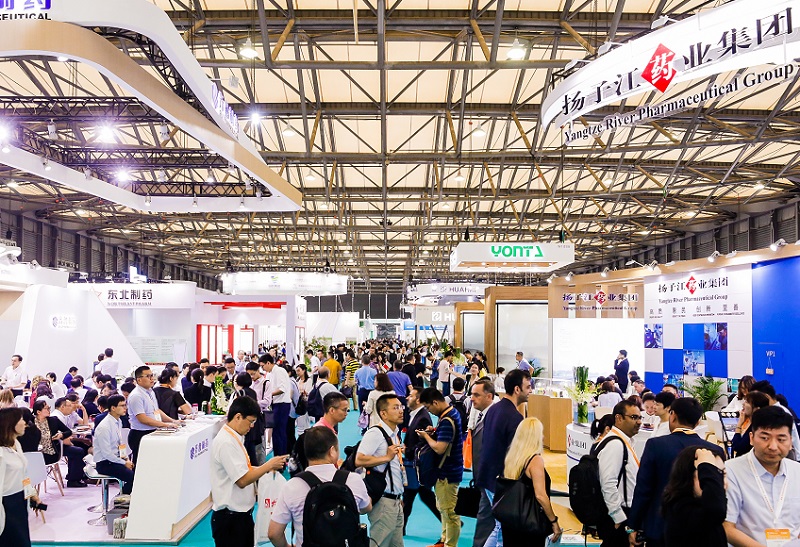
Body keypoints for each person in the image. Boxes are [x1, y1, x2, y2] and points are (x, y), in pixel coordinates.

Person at [627, 397, 725, 547]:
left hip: (660, 525)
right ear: (698, 421)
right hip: (701, 529)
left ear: (672, 416)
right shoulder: (714, 450)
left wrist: (634, 524)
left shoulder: (656, 445)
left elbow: (643, 488)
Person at [268, 426, 372, 547]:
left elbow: (273, 534)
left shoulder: (292, 486)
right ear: (332, 451)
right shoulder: (353, 479)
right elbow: (366, 508)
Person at [210, 396, 289, 547]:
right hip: (230, 519)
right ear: (238, 417)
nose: (252, 426)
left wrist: (266, 469)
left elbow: (244, 469)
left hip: (240, 516)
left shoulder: (235, 438)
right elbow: (242, 480)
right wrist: (267, 466)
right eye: (250, 421)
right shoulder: (226, 443)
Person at [724, 406, 800, 546]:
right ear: (751, 438)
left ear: (791, 442)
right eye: (765, 438)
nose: (773, 446)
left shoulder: (797, 472)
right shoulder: (731, 471)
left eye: (781, 439)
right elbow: (727, 527)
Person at [474, 369, 531, 547]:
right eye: (528, 387)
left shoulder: (494, 409)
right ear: (517, 389)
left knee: (497, 527)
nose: (530, 391)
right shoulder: (514, 418)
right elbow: (514, 455)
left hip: (487, 476)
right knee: (502, 530)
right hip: (499, 481)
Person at [499, 417, 562, 546]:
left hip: (510, 520)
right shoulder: (535, 461)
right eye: (541, 433)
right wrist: (553, 521)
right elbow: (540, 495)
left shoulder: (512, 457)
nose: (543, 437)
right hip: (529, 522)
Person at [356, 394, 406, 547]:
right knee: (379, 543)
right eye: (395, 408)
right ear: (383, 413)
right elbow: (359, 459)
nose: (401, 411)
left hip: (395, 500)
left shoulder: (394, 433)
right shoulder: (375, 433)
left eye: (401, 407)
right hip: (384, 502)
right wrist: (386, 457)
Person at [417, 387, 464, 547]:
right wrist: (435, 431)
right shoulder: (451, 413)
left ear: (435, 402)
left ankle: (450, 544)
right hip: (448, 470)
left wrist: (426, 436)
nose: (428, 411)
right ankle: (443, 541)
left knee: (450, 512)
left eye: (428, 407)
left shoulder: (446, 420)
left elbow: (439, 448)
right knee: (443, 508)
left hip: (447, 473)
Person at [595, 400, 642, 547]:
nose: (639, 422)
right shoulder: (615, 444)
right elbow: (608, 483)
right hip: (618, 515)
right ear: (619, 418)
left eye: (640, 417)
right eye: (634, 417)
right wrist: (619, 517)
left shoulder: (623, 442)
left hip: (622, 513)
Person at [661, 447, 727, 547]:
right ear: (689, 476)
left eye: (723, 474)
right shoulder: (681, 510)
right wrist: (706, 466)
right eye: (710, 474)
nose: (721, 482)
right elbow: (717, 512)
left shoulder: (703, 506)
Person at [0, 407, 41, 547]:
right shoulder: (1, 454)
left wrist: (32, 494)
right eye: (21, 420)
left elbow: (24, 474)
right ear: (10, 424)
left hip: (20, 499)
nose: (25, 423)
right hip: (6, 504)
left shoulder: (16, 444)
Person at [402, 386, 440, 535]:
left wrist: (407, 451)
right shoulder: (414, 414)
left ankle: (401, 528)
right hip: (414, 465)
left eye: (411, 396)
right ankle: (448, 519)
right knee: (423, 495)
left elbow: (423, 443)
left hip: (417, 465)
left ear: (418, 400)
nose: (407, 398)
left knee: (411, 495)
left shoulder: (422, 417)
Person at [31, 399, 89, 487]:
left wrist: (61, 435)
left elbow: (68, 431)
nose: (49, 410)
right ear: (38, 412)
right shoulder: (31, 422)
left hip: (53, 450)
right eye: (46, 408)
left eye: (49, 408)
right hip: (36, 453)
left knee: (78, 450)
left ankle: (74, 479)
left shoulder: (53, 420)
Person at [128, 365, 179, 464]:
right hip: (140, 434)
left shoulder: (151, 391)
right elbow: (142, 418)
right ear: (139, 380)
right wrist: (165, 425)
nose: (152, 379)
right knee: (140, 464)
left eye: (152, 375)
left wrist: (173, 421)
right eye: (148, 376)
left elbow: (156, 410)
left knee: (152, 463)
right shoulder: (136, 395)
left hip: (152, 431)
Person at [92, 394, 136, 494]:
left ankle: (124, 496)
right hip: (105, 463)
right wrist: (124, 463)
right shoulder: (104, 427)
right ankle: (121, 499)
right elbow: (107, 454)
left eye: (125, 405)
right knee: (133, 478)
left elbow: (120, 443)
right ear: (113, 408)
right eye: (122, 405)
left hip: (115, 460)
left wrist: (126, 459)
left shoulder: (118, 421)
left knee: (138, 473)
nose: (125, 408)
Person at [750, 380, 800, 460]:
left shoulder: (780, 412)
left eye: (756, 399)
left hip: (787, 457)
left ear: (767, 397)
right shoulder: (770, 411)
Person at [260, 354, 292, 456]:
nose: (262, 368)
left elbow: (282, 389)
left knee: (279, 432)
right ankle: (278, 456)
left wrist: (268, 395)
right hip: (276, 404)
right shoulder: (271, 373)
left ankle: (281, 458)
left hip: (282, 404)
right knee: (276, 432)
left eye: (263, 366)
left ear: (268, 363)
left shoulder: (279, 371)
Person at [730, 391, 771, 457]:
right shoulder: (754, 423)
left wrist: (739, 424)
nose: (743, 404)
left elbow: (737, 447)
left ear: (757, 409)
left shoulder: (758, 427)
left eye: (747, 402)